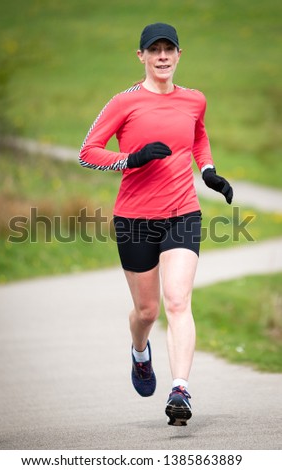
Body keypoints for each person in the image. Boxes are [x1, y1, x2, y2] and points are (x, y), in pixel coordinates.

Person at [79, 22, 233, 426]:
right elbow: (87, 152)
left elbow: (198, 137)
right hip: (134, 218)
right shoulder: (123, 103)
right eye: (154, 50)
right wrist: (130, 158)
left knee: (178, 301)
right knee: (146, 311)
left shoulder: (194, 99)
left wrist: (209, 170)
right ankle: (139, 351)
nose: (162, 56)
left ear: (179, 55)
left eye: (169, 49)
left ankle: (180, 389)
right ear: (141, 56)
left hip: (183, 212)